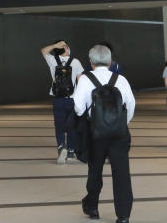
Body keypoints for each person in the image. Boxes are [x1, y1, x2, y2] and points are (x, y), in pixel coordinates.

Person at [73, 44, 135, 223]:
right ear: (110, 62)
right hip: (119, 135)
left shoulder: (85, 79)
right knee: (121, 173)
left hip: (96, 133)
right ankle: (123, 215)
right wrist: (122, 123)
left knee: (94, 170)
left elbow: (78, 108)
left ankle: (92, 207)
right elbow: (131, 105)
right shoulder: (121, 79)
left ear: (90, 62)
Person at [41, 39, 85, 164]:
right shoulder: (75, 62)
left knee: (59, 125)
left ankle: (61, 147)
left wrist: (54, 45)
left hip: (57, 98)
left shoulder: (52, 60)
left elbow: (43, 50)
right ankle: (71, 151)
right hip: (72, 98)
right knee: (72, 125)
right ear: (66, 48)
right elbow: (80, 80)